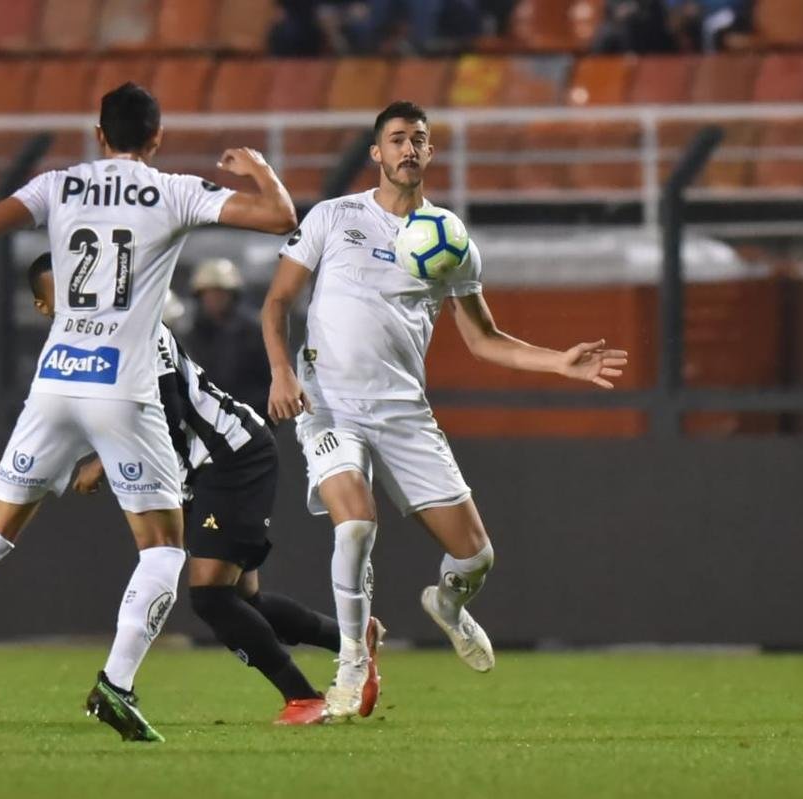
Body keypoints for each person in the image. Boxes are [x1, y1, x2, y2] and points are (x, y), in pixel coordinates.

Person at [0, 83, 296, 743]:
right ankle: (115, 686)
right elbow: (278, 216)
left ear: (99, 135)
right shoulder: (173, 189)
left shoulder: (59, 186)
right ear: (155, 139)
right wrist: (260, 169)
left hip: (56, 380)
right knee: (162, 549)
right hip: (123, 387)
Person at [261, 101, 628, 719]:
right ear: (376, 153)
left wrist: (559, 361)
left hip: (402, 409)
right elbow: (276, 303)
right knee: (354, 524)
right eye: (397, 139)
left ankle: (449, 606)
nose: (408, 149)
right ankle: (352, 663)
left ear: (430, 154)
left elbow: (484, 340)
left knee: (475, 556)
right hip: (329, 403)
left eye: (419, 140)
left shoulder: (451, 241)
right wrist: (281, 371)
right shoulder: (333, 217)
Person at [28, 255, 372, 726]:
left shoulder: (141, 333)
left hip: (231, 456)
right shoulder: (110, 338)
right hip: (207, 466)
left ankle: (305, 697)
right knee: (242, 600)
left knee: (210, 596)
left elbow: (165, 416)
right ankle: (355, 638)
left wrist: (102, 462)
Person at [184, 258, 272, 422]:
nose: (214, 299)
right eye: (209, 294)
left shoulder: (254, 333)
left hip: (248, 423)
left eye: (220, 293)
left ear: (233, 295)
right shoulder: (191, 335)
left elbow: (271, 385)